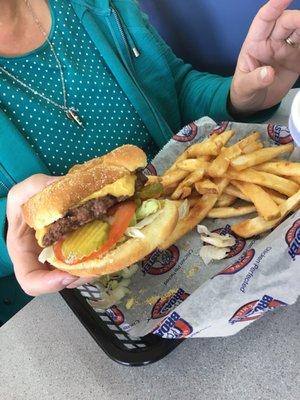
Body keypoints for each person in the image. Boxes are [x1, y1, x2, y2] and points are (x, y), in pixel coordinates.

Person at [1, 0, 299, 299]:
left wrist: (238, 96)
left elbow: (175, 87)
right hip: (76, 304)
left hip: (196, 227)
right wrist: (10, 230)